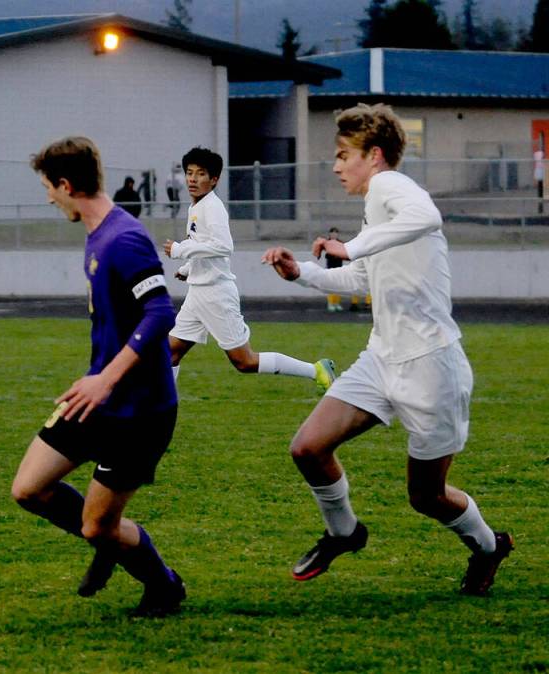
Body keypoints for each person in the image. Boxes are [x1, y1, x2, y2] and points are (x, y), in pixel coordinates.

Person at [261, 103, 512, 595]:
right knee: (308, 447)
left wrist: (351, 246)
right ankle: (344, 533)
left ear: (373, 155)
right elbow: (361, 277)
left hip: (431, 367)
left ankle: (489, 546)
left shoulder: (390, 185)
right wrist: (302, 273)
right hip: (382, 358)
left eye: (343, 155)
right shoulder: (377, 207)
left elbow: (427, 215)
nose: (336, 166)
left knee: (427, 497)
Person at [12, 136, 185, 617]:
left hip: (139, 411)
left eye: (49, 188)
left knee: (97, 525)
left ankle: (163, 585)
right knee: (28, 489)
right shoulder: (97, 234)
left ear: (66, 185)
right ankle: (108, 542)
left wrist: (105, 379)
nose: (49, 198)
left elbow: (160, 312)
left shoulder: (123, 238)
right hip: (97, 398)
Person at [162, 146, 336, 390]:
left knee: (244, 361)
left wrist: (180, 250)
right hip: (198, 292)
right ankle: (162, 408)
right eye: (189, 173)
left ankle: (316, 370)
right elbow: (204, 244)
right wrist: (189, 268)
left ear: (214, 180)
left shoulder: (211, 207)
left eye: (200, 174)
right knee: (170, 353)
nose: (193, 179)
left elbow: (223, 246)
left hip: (215, 295)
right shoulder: (196, 207)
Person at [324, 227, 344, 312]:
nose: (334, 234)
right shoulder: (327, 243)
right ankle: (331, 303)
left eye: (336, 233)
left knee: (338, 287)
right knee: (331, 287)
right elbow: (328, 255)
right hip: (331, 268)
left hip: (339, 267)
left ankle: (337, 303)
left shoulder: (340, 243)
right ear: (330, 234)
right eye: (332, 233)